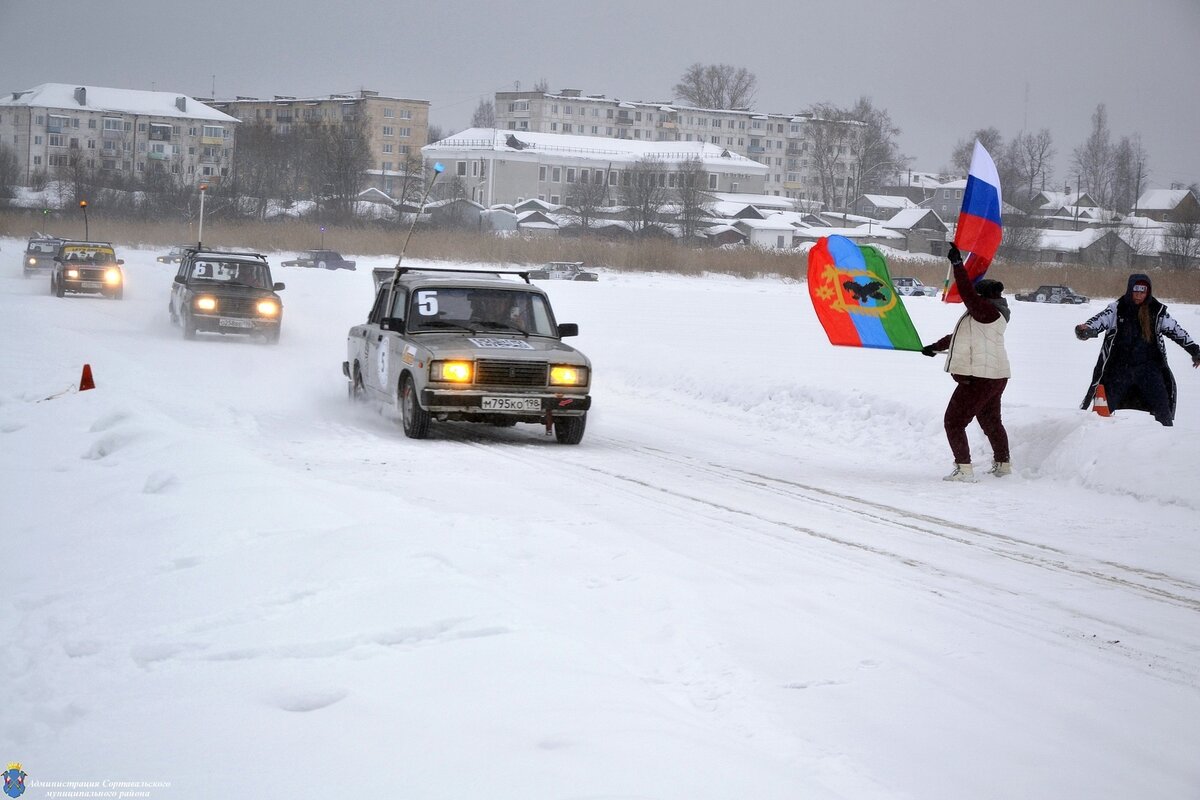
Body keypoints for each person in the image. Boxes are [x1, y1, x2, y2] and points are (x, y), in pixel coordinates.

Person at [921, 245, 1012, 482]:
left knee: (954, 421)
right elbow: (958, 338)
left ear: (984, 297)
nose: (974, 300)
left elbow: (967, 294)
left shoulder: (987, 311)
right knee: (991, 421)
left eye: (977, 296)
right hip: (995, 376)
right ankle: (1003, 464)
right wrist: (935, 347)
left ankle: (964, 468)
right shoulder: (986, 314)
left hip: (979, 378)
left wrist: (958, 264)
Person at [1075, 273, 1200, 426]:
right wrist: (1086, 330)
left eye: (1143, 292)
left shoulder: (1157, 312)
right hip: (1119, 370)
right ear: (1129, 290)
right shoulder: (1116, 309)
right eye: (1136, 291)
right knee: (1101, 410)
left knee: (1163, 409)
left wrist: (1195, 351)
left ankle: (1166, 442)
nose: (1139, 295)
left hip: (1149, 370)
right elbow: (1098, 321)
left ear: (1148, 292)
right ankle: (1090, 438)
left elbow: (1178, 332)